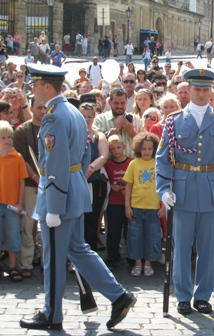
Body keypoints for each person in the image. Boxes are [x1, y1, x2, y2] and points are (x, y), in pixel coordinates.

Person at [20, 64, 136, 331]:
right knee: (77, 248)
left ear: (47, 87)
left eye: (35, 85)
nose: (33, 89)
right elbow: (82, 156)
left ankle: (52, 313)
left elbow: (57, 163)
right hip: (73, 187)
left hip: (59, 193)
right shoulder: (71, 111)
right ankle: (118, 296)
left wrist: (54, 206)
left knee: (54, 256)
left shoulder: (54, 117)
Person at [156, 68, 214, 315]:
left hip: (212, 188)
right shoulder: (174, 121)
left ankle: (202, 295)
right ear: (188, 91)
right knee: (180, 248)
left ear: (211, 91)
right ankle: (182, 295)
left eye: (205, 89)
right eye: (196, 89)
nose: (201, 94)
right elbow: (162, 159)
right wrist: (163, 189)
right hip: (182, 189)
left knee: (207, 248)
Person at [12, 97, 47, 278]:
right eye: (39, 107)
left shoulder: (53, 129)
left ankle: (48, 262)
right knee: (28, 225)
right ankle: (25, 262)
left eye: (45, 108)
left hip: (51, 183)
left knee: (50, 224)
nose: (43, 111)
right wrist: (36, 178)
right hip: (29, 184)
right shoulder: (22, 131)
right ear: (32, 108)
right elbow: (22, 158)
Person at [123, 132, 163, 277]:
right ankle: (138, 263)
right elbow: (128, 185)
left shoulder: (159, 163)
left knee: (153, 236)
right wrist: (127, 206)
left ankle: (149, 263)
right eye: (144, 148)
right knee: (135, 236)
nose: (147, 151)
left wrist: (163, 206)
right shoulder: (134, 164)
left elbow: (164, 185)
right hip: (136, 208)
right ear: (138, 149)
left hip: (153, 208)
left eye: (150, 149)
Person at [0, 120, 28, 282]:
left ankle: (12, 266)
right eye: (3, 137)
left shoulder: (17, 157)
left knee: (13, 235)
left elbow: (21, 181)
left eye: (9, 137)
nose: (7, 140)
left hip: (12, 204)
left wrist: (19, 203)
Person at [79, 102, 108, 252]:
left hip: (94, 183)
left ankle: (90, 254)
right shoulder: (73, 133)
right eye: (83, 116)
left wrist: (89, 170)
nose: (86, 119)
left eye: (89, 116)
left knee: (91, 219)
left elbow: (103, 156)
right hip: (76, 182)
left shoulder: (98, 135)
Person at [103, 135, 133, 269]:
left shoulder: (131, 163)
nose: (116, 151)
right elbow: (105, 178)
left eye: (118, 147)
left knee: (129, 231)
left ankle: (131, 255)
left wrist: (127, 190)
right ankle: (112, 255)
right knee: (113, 231)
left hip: (129, 203)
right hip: (114, 202)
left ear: (124, 147)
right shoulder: (108, 164)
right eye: (112, 148)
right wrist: (111, 185)